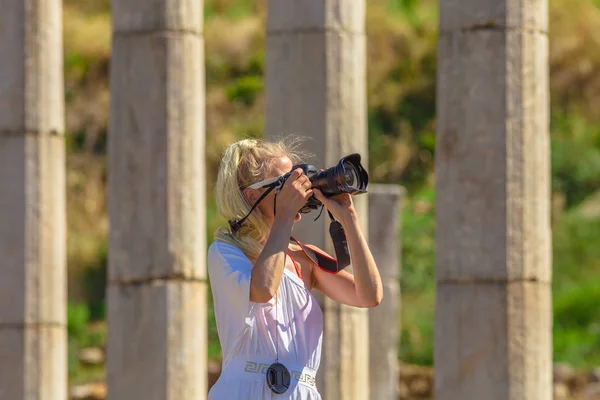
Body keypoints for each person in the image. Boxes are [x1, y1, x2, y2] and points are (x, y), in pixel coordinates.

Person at [207, 138, 383, 399]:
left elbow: (369, 296)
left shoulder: (304, 259)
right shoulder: (226, 252)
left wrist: (349, 218)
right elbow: (263, 290)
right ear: (252, 195)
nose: (297, 191)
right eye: (285, 184)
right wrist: (285, 216)